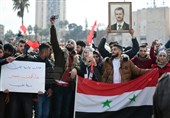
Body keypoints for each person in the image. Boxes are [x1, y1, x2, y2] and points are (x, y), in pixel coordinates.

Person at [50, 16, 80, 118]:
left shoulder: (77, 58)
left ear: (75, 47)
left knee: (66, 112)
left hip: (68, 88)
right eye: (68, 42)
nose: (69, 43)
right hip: (58, 86)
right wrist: (52, 26)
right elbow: (54, 41)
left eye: (72, 43)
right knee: (57, 111)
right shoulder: (60, 53)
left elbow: (80, 69)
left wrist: (75, 69)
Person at [9, 39, 35, 118]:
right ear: (17, 47)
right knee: (14, 114)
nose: (23, 48)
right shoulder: (12, 59)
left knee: (27, 114)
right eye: (21, 46)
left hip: (27, 94)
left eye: (25, 46)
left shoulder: (32, 59)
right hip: (15, 93)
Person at [34, 43, 53, 118]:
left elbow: (52, 77)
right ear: (45, 51)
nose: (50, 52)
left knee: (46, 114)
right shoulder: (34, 61)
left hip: (47, 94)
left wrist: (50, 88)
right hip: (38, 94)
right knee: (38, 114)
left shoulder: (49, 63)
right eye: (49, 50)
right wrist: (34, 95)